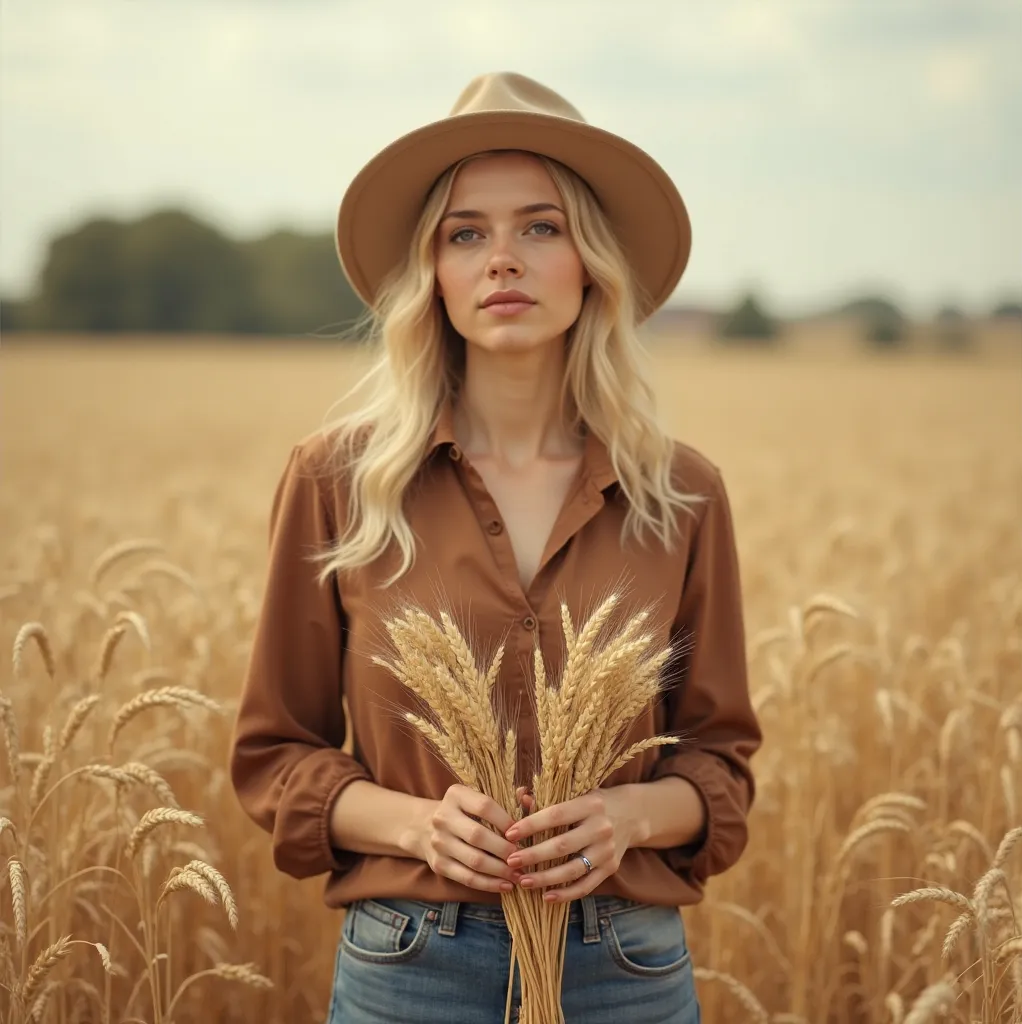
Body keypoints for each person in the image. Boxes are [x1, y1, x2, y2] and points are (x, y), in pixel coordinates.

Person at [229, 71, 761, 1024]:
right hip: (411, 965)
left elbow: (720, 764)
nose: (501, 259)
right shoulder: (336, 484)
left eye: (541, 227)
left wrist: (627, 818)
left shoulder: (681, 494)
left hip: (624, 969)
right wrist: (419, 825)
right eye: (465, 233)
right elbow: (275, 755)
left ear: (591, 262)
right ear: (432, 273)